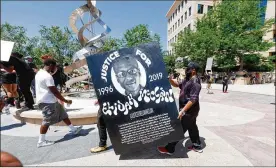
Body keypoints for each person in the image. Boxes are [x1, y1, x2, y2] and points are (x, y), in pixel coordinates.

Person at [157, 62, 203, 155]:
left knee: (179, 129)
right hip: (189, 111)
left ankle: (170, 149)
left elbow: (193, 99)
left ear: (194, 70)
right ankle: (197, 145)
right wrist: (170, 80)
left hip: (189, 111)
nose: (187, 69)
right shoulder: (188, 79)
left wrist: (182, 111)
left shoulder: (195, 82)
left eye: (189, 68)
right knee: (192, 127)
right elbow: (177, 84)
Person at [35, 58, 82, 147]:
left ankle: (73, 129)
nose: (55, 68)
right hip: (47, 102)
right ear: (50, 65)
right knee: (46, 121)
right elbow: (55, 92)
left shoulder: (39, 73)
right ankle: (41, 141)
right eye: (54, 66)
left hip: (50, 101)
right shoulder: (47, 76)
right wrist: (65, 100)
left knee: (63, 114)